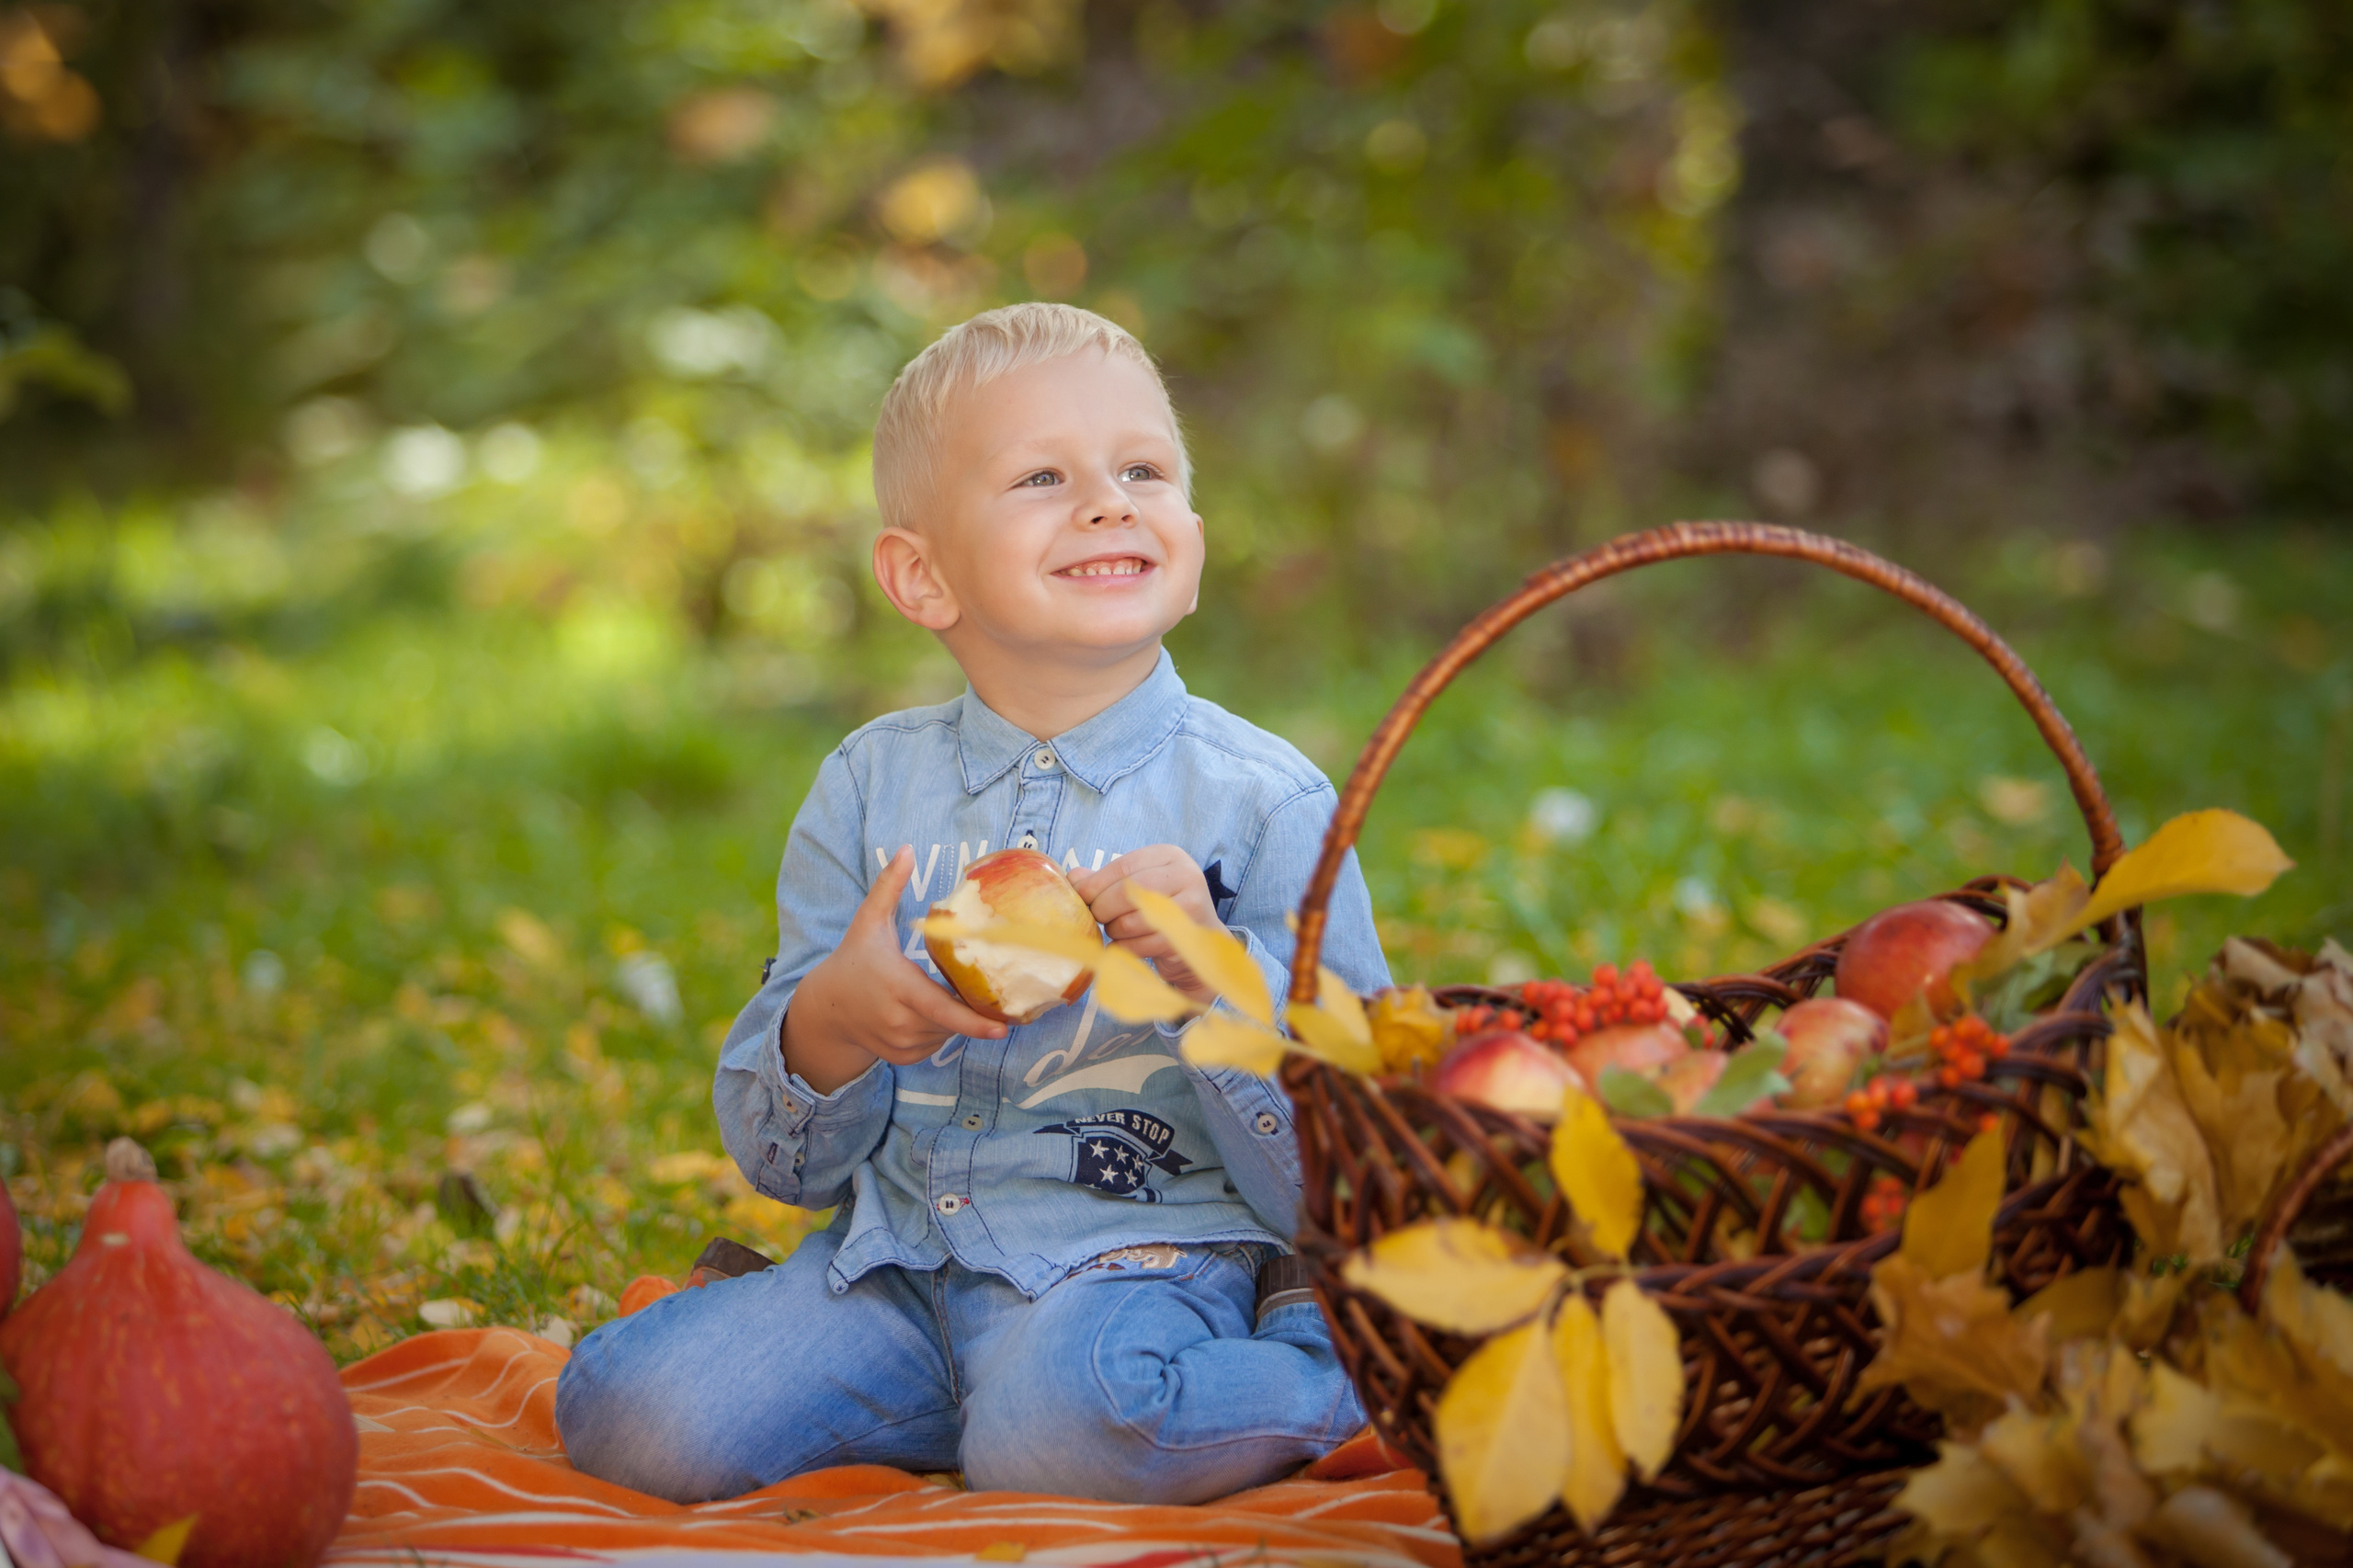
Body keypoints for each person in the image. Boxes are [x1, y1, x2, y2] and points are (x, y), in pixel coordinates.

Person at [554, 302, 1390, 1506]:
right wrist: (835, 1023)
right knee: (631, 1417)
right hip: (894, 1268)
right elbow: (778, 1155)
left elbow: (1360, 1166)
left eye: (1142, 469)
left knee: (1070, 1437)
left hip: (1137, 1265)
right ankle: (964, 1406)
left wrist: (1225, 982)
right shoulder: (866, 788)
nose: (1108, 501)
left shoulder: (1265, 803)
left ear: (1193, 537)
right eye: (1045, 475)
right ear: (921, 574)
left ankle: (1332, 1359)